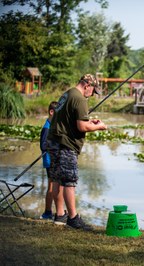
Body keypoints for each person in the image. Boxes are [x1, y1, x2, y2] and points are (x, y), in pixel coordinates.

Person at [47, 74, 107, 230]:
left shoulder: (67, 94)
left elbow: (70, 120)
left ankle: (60, 215)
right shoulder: (80, 99)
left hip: (54, 141)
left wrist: (89, 122)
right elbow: (82, 127)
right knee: (69, 181)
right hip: (66, 144)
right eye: (93, 90)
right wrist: (99, 126)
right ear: (87, 85)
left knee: (56, 179)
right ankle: (73, 218)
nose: (92, 94)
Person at [39, 101, 60, 220]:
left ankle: (51, 211)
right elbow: (43, 145)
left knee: (53, 186)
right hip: (50, 160)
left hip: (51, 160)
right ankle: (48, 212)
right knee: (52, 186)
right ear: (51, 112)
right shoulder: (47, 128)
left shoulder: (51, 126)